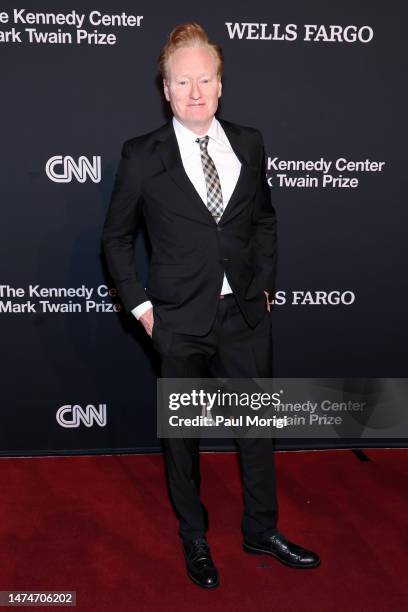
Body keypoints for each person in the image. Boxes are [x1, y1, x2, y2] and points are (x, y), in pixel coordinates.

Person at [102, 21, 320, 589]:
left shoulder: (249, 142)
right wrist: (144, 310)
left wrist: (265, 287)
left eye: (205, 80)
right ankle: (194, 537)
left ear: (220, 85)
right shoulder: (142, 156)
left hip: (243, 316)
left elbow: (265, 219)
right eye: (182, 82)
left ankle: (260, 530)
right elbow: (116, 238)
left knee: (256, 431)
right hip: (178, 322)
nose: (195, 92)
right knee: (183, 441)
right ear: (166, 89)